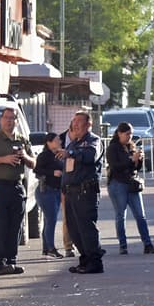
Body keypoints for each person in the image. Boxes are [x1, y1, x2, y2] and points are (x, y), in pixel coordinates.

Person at [0, 107, 36, 276]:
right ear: (1, 120)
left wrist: (24, 156)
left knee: (15, 226)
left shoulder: (22, 140)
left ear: (17, 121)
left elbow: (33, 163)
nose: (9, 121)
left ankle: (11, 261)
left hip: (16, 187)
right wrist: (3, 159)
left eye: (12, 118)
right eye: (6, 118)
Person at [60, 110, 104, 274]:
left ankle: (95, 262)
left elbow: (90, 156)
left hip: (85, 192)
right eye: (74, 121)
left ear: (88, 124)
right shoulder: (73, 143)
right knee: (74, 229)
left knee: (86, 228)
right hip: (71, 192)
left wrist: (71, 153)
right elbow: (67, 169)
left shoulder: (93, 141)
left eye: (79, 121)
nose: (75, 124)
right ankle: (85, 260)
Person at [106, 122, 154, 255]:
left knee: (140, 215)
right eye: (127, 134)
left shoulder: (131, 146)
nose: (129, 137)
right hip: (118, 183)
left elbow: (136, 168)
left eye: (131, 134)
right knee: (120, 215)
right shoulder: (113, 148)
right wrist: (130, 160)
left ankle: (147, 244)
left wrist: (139, 160)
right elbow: (115, 166)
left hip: (131, 183)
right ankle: (123, 245)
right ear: (119, 133)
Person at [33, 132, 67, 258]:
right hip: (46, 190)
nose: (60, 142)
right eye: (57, 140)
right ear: (49, 142)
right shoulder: (44, 156)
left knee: (48, 220)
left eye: (60, 140)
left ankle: (46, 249)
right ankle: (51, 248)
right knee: (51, 220)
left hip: (57, 190)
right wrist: (52, 172)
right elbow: (37, 170)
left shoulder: (59, 155)